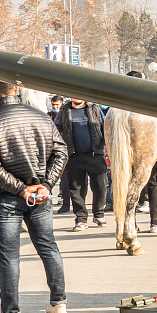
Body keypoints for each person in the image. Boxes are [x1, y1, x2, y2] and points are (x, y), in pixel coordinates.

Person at [0, 80, 69, 313]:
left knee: (8, 256)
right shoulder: (42, 117)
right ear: (16, 89)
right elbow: (61, 152)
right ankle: (58, 304)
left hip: (4, 198)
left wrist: (20, 189)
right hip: (40, 195)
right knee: (48, 248)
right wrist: (46, 185)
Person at [55, 97, 107, 232]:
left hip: (95, 155)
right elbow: (55, 129)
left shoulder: (94, 108)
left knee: (100, 187)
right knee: (76, 190)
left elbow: (104, 128)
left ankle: (98, 214)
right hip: (73, 156)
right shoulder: (65, 110)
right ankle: (81, 219)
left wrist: (107, 148)